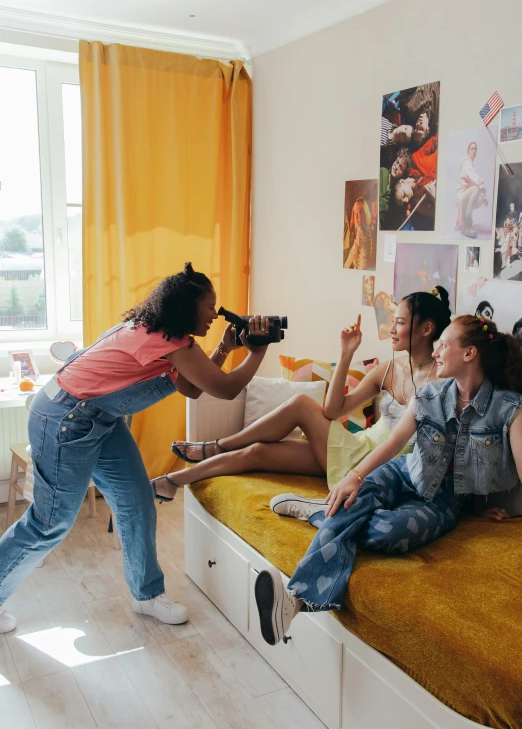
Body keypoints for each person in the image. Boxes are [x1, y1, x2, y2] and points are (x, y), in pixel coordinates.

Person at [0, 263, 270, 634]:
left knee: (136, 501)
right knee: (49, 524)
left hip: (97, 418)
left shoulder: (168, 336)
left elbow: (191, 388)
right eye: (210, 306)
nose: (215, 314)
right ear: (186, 307)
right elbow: (224, 389)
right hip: (66, 419)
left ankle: (147, 595)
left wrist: (224, 347)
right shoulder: (168, 341)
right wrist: (258, 352)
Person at [253, 314, 522, 646]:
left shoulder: (509, 410)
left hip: (442, 503)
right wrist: (354, 476)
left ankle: (322, 513)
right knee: (354, 497)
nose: (436, 352)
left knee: (388, 532)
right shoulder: (429, 396)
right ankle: (293, 602)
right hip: (402, 473)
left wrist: (479, 506)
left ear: (469, 354)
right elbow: (394, 444)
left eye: (444, 344)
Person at [163, 289, 451, 501]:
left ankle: (218, 446)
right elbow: (332, 411)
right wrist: (346, 354)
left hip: (375, 466)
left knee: (301, 404)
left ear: (426, 329)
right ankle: (173, 481)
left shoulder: (442, 382)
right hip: (354, 448)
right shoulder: (387, 369)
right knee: (257, 452)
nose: (391, 328)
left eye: (400, 322)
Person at [454, 142, 488, 239]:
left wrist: (483, 196)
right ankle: (467, 223)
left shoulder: (471, 163)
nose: (474, 151)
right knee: (476, 189)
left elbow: (472, 181)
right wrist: (481, 185)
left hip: (466, 195)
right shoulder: (466, 161)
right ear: (468, 151)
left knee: (481, 198)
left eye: (475, 149)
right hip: (461, 196)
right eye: (471, 149)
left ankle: (467, 223)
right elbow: (473, 175)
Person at [344, 198, 374, 270]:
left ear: (365, 214)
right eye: (355, 213)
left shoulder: (363, 230)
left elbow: (363, 259)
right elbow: (353, 250)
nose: (356, 217)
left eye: (360, 213)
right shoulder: (361, 230)